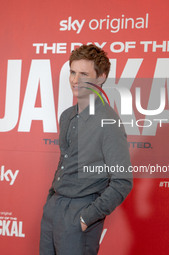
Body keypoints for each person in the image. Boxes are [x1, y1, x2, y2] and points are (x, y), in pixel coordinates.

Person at [40, 44, 133, 255]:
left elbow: (122, 181)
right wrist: (51, 201)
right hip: (54, 211)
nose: (75, 80)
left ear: (100, 77)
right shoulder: (67, 116)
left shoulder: (108, 121)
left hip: (79, 213)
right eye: (72, 72)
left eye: (84, 74)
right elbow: (65, 161)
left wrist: (86, 217)